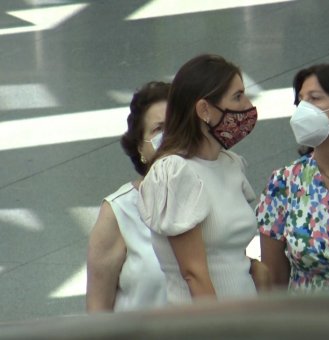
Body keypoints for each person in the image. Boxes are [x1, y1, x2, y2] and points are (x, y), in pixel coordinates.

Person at [138, 54, 259, 304]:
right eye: (237, 96)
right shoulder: (174, 172)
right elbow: (194, 274)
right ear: (204, 109)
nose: (247, 105)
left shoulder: (230, 164)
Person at [255, 63, 329, 292]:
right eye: (300, 102)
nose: (303, 110)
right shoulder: (284, 182)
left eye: (315, 98)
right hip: (311, 321)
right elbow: (273, 280)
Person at [86, 81, 169, 312]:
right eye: (158, 129)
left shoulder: (209, 198)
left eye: (177, 127)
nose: (170, 138)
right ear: (140, 148)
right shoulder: (118, 213)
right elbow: (98, 313)